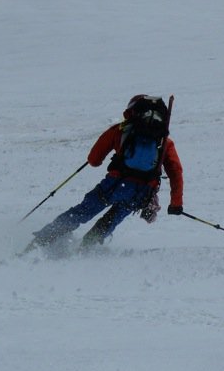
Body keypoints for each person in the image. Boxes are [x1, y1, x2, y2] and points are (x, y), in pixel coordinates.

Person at [24, 95, 183, 253]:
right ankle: (85, 250)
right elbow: (176, 172)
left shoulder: (120, 131)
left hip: (114, 185)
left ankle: (41, 241)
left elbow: (94, 160)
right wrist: (176, 204)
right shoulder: (164, 142)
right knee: (109, 222)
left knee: (81, 212)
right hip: (140, 194)